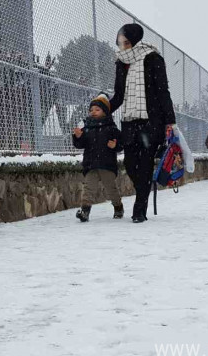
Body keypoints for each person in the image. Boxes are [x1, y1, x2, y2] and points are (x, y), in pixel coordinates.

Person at [108, 24, 177, 223]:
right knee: (130, 164)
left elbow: (163, 92)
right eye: (120, 43)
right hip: (130, 122)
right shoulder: (121, 64)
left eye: (126, 43)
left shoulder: (153, 59)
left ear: (135, 41)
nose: (123, 47)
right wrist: (102, 110)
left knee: (145, 164)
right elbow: (119, 96)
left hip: (150, 122)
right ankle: (143, 193)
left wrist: (169, 121)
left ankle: (139, 210)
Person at [72, 94, 124, 222]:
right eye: (91, 110)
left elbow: (121, 143)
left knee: (111, 188)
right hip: (91, 164)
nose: (93, 112)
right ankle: (85, 211)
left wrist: (115, 145)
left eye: (97, 109)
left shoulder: (111, 128)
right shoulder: (87, 128)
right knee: (88, 188)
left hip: (106, 164)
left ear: (105, 112)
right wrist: (78, 137)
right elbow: (80, 144)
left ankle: (118, 207)